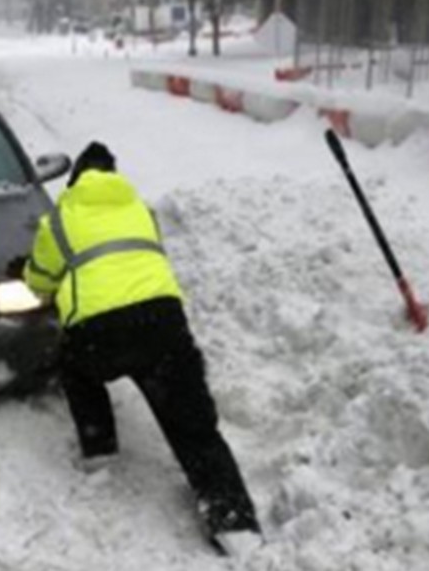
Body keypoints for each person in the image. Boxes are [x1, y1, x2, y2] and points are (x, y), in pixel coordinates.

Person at [15, 142, 261, 551]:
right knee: (194, 425)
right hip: (161, 324)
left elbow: (39, 283)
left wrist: (30, 269)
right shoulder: (141, 210)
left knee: (75, 369)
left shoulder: (58, 220)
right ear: (115, 175)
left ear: (74, 180)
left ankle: (99, 448)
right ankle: (234, 524)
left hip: (98, 333)